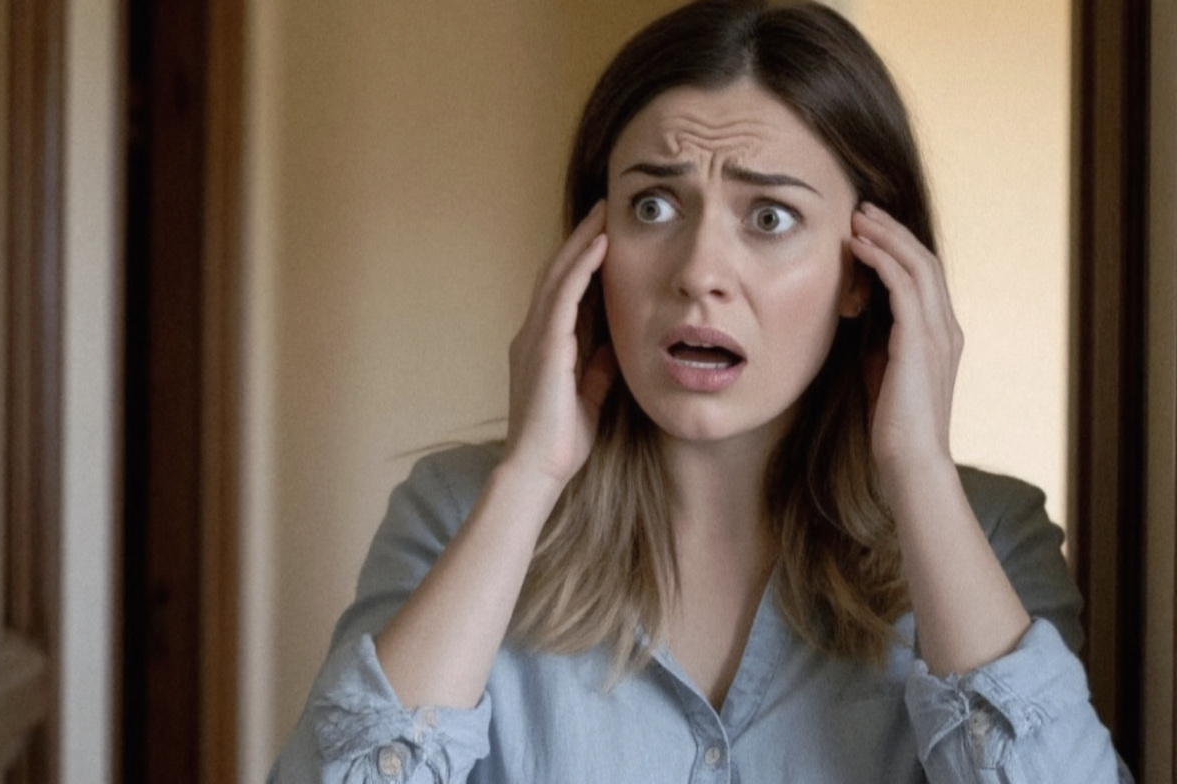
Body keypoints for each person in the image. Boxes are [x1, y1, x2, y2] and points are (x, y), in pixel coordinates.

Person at [270, 1, 1132, 781]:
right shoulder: (454, 514)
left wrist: (917, 469)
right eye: (653, 206)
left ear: (864, 273)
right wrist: (530, 478)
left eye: (770, 217)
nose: (698, 272)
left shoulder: (990, 538)